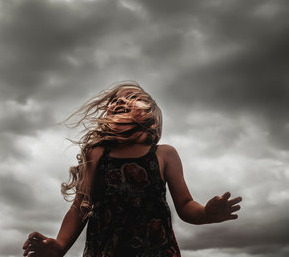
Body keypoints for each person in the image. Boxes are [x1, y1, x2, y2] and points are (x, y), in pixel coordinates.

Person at [22, 81, 242, 257]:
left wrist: (206, 213)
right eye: (115, 100)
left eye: (132, 98)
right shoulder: (97, 153)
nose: (120, 101)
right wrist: (59, 247)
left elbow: (184, 205)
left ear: (152, 118)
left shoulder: (164, 154)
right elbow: (81, 205)